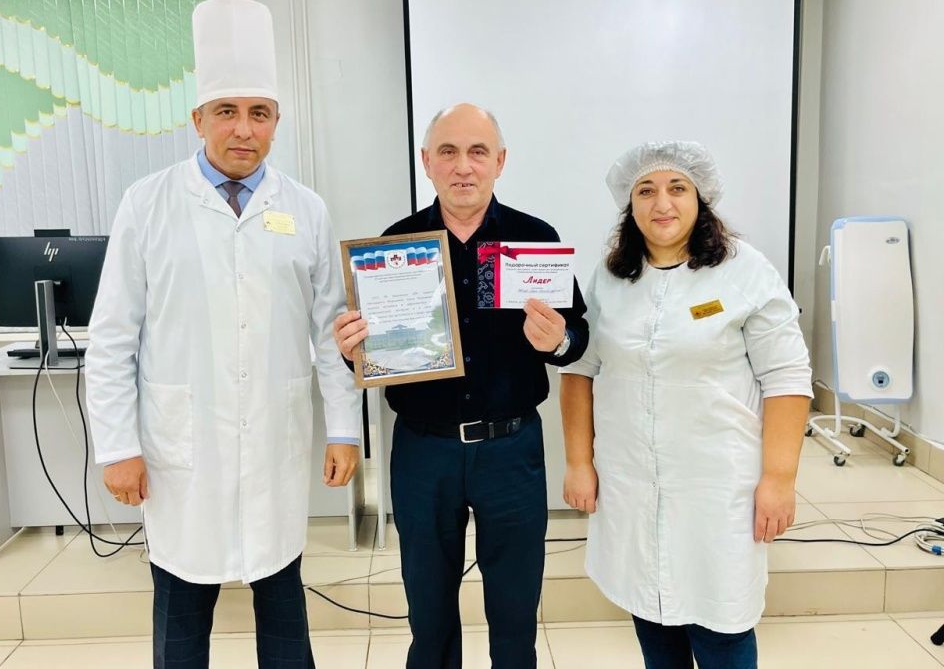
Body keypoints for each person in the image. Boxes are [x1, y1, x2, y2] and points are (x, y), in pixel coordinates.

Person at [85, 0, 361, 669]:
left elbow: (333, 331)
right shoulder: (147, 203)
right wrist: (117, 447)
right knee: (181, 616)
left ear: (276, 123)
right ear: (198, 119)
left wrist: (344, 429)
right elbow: (113, 337)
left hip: (274, 440)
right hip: (182, 448)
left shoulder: (305, 209)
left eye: (259, 113)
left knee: (282, 602)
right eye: (227, 111)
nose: (244, 129)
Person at [334, 103, 588, 669]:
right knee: (429, 614)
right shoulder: (394, 247)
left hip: (511, 451)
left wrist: (558, 342)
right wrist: (355, 349)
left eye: (478, 152)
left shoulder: (533, 240)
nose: (463, 166)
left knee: (516, 612)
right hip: (424, 452)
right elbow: (373, 354)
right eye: (448, 152)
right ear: (427, 161)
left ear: (500, 161)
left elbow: (578, 337)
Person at [560, 141, 812, 669]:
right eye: (645, 191)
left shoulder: (744, 271)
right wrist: (579, 463)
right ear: (629, 205)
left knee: (722, 626)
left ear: (701, 198)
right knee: (652, 618)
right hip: (630, 482)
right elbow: (580, 371)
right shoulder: (611, 276)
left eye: (677, 188)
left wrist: (779, 479)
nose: (662, 203)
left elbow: (787, 378)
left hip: (717, 487)